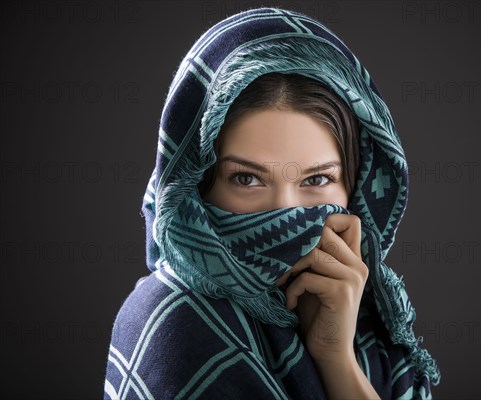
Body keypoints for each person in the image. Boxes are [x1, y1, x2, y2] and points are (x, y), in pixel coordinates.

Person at [104, 7, 440, 399]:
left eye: (317, 180)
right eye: (247, 179)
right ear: (197, 188)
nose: (285, 212)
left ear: (355, 190)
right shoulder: (173, 322)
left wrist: (337, 359)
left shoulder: (366, 322)